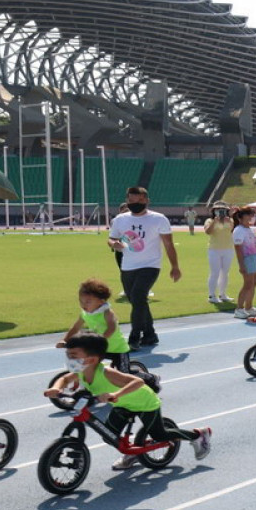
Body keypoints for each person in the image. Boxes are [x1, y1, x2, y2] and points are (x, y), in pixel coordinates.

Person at [47, 333, 211, 470]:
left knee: (159, 435)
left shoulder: (107, 373)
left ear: (92, 359)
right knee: (110, 436)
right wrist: (56, 388)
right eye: (68, 355)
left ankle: (198, 435)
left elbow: (138, 382)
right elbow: (64, 379)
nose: (69, 360)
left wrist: (117, 393)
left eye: (74, 356)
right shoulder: (80, 370)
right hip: (123, 405)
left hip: (144, 403)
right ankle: (133, 452)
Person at [107, 187, 181, 346]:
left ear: (147, 200)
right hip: (128, 265)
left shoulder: (159, 219)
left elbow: (168, 244)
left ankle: (135, 336)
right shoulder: (121, 219)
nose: (136, 203)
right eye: (132, 201)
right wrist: (115, 244)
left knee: (139, 296)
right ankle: (150, 334)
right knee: (136, 300)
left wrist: (175, 266)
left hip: (150, 265)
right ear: (127, 200)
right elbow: (111, 238)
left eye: (140, 200)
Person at [57, 278, 131, 372]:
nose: (83, 305)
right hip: (99, 349)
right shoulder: (85, 314)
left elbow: (112, 328)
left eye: (88, 302)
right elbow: (75, 328)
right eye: (81, 301)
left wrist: (100, 339)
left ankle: (148, 378)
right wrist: (64, 339)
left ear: (101, 301)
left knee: (125, 375)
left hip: (117, 349)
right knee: (88, 367)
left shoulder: (107, 312)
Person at [230, 206, 256, 318]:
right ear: (240, 218)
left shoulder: (249, 229)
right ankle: (239, 308)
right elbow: (238, 248)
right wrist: (241, 265)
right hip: (247, 258)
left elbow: (254, 243)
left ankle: (249, 307)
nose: (251, 217)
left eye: (251, 215)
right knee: (247, 284)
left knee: (254, 283)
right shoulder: (238, 230)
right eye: (248, 215)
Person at [204, 202, 236, 303]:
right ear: (214, 211)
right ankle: (212, 295)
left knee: (225, 273)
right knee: (215, 272)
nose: (220, 211)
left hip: (228, 249)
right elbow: (208, 232)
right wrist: (215, 221)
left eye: (223, 209)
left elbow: (233, 231)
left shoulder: (230, 220)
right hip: (214, 249)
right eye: (218, 209)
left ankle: (223, 294)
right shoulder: (209, 220)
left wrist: (230, 218)